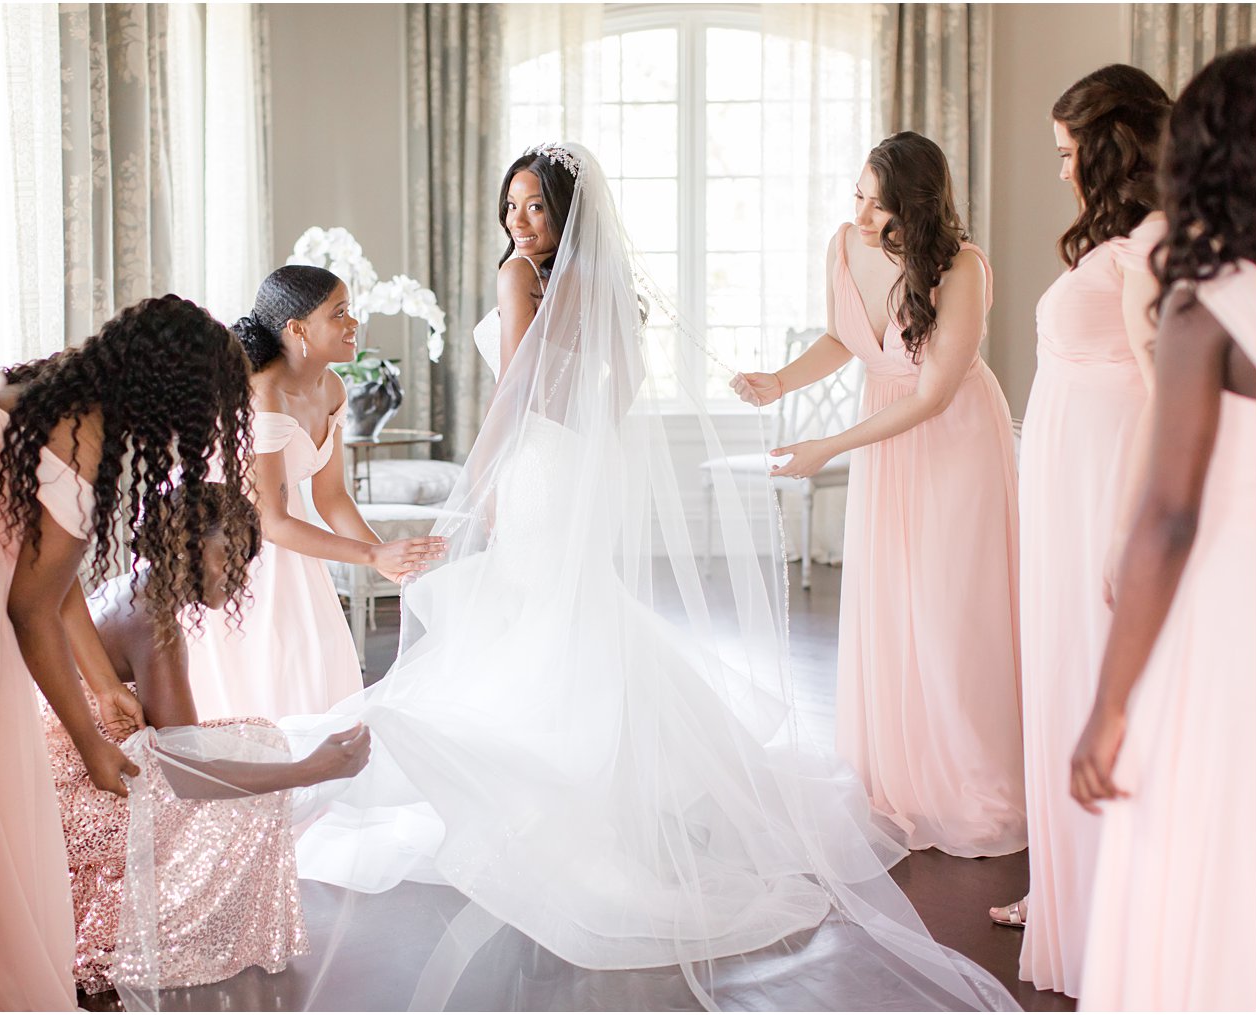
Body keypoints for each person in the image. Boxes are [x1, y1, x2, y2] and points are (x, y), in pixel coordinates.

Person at [277, 143, 1018, 1012]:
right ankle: (601, 763)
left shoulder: (524, 280)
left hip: (534, 464)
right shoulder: (597, 284)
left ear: (563, 213)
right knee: (565, 614)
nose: (521, 223)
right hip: (574, 463)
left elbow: (512, 395)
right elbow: (618, 385)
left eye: (536, 208)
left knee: (537, 617)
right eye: (512, 206)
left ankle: (547, 772)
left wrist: (478, 481)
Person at [0, 295, 261, 1009]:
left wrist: (98, 679)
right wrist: (90, 740)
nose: (207, 427)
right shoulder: (83, 441)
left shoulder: (44, 387)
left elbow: (49, 576)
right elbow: (32, 605)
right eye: (211, 409)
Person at [732, 131, 1026, 858]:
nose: (861, 215)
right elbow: (847, 338)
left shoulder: (962, 269)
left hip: (951, 441)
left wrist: (828, 447)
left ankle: (975, 777)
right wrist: (779, 380)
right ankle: (900, 773)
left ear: (916, 208)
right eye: (858, 196)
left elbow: (930, 395)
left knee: (951, 608)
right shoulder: (845, 245)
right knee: (892, 601)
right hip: (885, 442)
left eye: (878, 205)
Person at [1071, 44, 1256, 1011]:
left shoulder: (1207, 304)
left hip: (1231, 617)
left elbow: (1170, 515)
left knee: (1207, 837)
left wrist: (1108, 703)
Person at [985, 67, 1169, 1001]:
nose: (1060, 173)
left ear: (1108, 148)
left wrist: (1125, 527)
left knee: (1093, 683)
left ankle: (1106, 899)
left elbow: (1168, 387)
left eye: (1067, 153)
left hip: (1104, 498)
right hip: (1062, 491)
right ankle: (1065, 884)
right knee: (1057, 678)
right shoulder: (1115, 240)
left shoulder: (1153, 246)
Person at [46, 483, 370, 1001]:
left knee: (257, 740)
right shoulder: (154, 625)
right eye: (231, 555)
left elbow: (179, 750)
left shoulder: (130, 590)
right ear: (186, 548)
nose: (240, 573)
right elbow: (186, 775)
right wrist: (312, 769)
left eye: (248, 559)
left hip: (61, 767)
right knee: (257, 775)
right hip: (74, 793)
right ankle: (145, 925)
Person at [186, 265, 445, 721]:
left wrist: (387, 556)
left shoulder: (331, 386)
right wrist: (368, 558)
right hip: (229, 552)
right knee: (279, 673)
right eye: (339, 313)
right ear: (297, 329)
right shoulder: (262, 394)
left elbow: (332, 497)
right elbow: (270, 522)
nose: (353, 322)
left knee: (319, 663)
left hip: (288, 537)